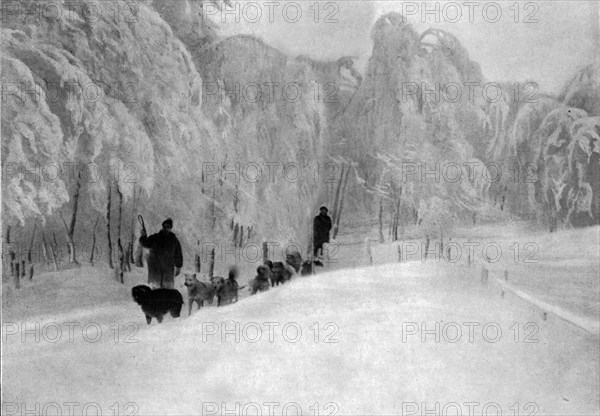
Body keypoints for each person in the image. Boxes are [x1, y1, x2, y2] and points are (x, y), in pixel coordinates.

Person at [139, 218, 183, 289]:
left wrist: (178, 266)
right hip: (156, 269)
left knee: (168, 292)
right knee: (155, 290)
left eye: (168, 227)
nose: (166, 229)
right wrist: (143, 236)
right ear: (162, 227)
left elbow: (178, 254)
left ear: (171, 228)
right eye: (165, 226)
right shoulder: (155, 237)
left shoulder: (174, 241)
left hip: (168, 271)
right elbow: (145, 243)